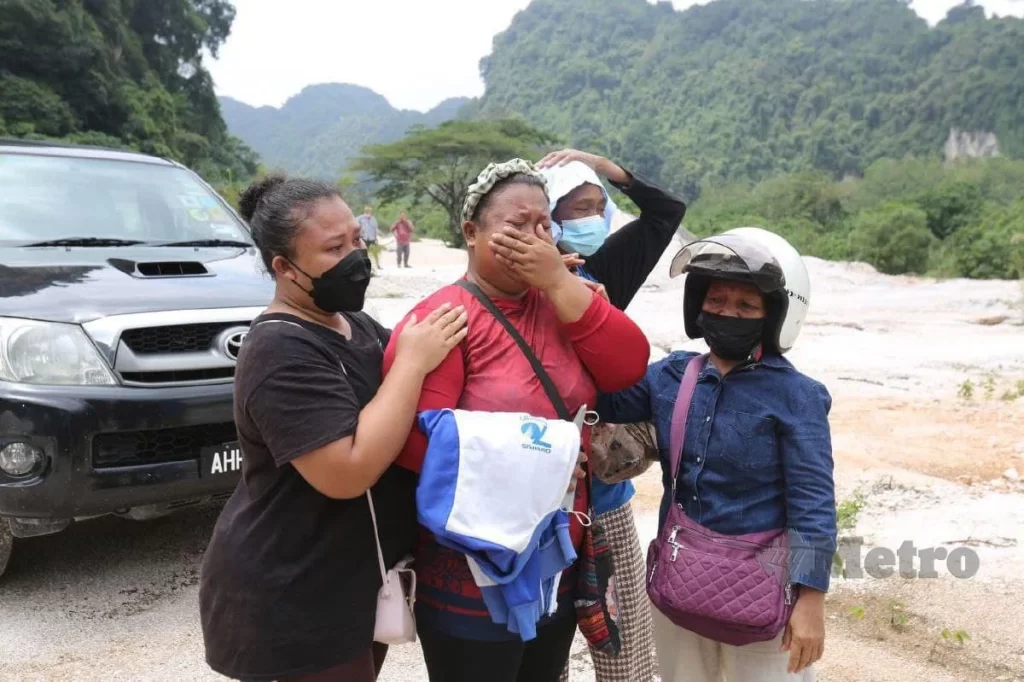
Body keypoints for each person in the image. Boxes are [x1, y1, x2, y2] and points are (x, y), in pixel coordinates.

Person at [381, 158, 652, 682]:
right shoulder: (444, 320)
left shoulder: (564, 301)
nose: (534, 238)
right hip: (469, 571)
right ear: (471, 232)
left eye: (544, 225)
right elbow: (413, 444)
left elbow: (627, 365)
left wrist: (562, 285)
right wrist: (543, 460)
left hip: (556, 559)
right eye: (516, 225)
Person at [198, 174, 468, 682]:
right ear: (284, 268)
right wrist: (411, 363)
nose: (355, 257)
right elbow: (346, 472)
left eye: (357, 240)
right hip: (293, 593)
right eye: (334, 248)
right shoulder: (279, 350)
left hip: (352, 580)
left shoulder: (354, 324)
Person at [597, 228, 837, 682]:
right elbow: (604, 397)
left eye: (746, 305)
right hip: (681, 582)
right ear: (697, 305)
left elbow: (813, 503)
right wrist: (593, 315)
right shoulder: (670, 376)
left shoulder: (797, 396)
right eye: (717, 300)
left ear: (771, 316)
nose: (728, 312)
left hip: (764, 592)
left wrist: (811, 599)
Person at [533, 148, 686, 682]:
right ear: (547, 218)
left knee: (624, 645)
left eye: (599, 207)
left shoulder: (606, 270)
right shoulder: (512, 283)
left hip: (603, 492)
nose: (593, 218)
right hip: (536, 496)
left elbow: (666, 213)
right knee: (541, 642)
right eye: (578, 208)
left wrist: (603, 166)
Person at [357, 204, 380, 269]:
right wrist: (360, 231)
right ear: (364, 209)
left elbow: (375, 229)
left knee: (375, 252)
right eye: (367, 208)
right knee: (364, 252)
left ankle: (378, 265)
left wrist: (376, 238)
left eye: (369, 209)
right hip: (363, 238)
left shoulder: (373, 219)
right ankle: (363, 265)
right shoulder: (360, 218)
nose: (368, 210)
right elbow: (355, 226)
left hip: (372, 238)